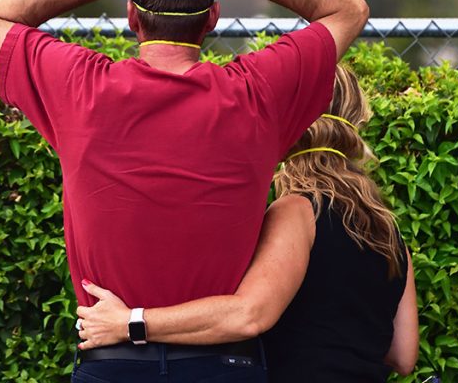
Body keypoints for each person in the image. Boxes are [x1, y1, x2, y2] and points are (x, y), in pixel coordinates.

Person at [0, 0, 369, 382]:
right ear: (213, 17)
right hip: (223, 366)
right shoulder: (258, 91)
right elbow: (348, 9)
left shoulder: (80, 85)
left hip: (114, 365)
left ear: (131, 18)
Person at [76, 65, 419, 382]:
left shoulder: (298, 211)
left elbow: (249, 315)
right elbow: (403, 356)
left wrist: (131, 323)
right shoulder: (389, 233)